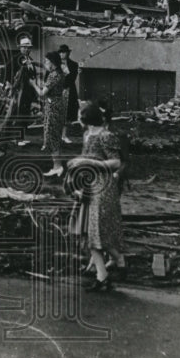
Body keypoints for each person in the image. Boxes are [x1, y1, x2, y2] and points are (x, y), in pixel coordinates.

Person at [68, 102, 125, 291]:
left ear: (85, 118)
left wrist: (86, 162)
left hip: (103, 187)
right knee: (94, 232)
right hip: (90, 186)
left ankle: (109, 271)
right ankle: (112, 268)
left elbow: (116, 162)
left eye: (79, 115)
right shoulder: (87, 135)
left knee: (97, 233)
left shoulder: (105, 136)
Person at [30, 51, 67, 176]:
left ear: (52, 63)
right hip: (57, 104)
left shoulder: (53, 75)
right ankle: (57, 165)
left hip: (53, 107)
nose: (45, 63)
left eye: (47, 61)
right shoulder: (59, 73)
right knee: (55, 135)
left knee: (52, 136)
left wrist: (33, 84)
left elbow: (42, 93)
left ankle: (57, 166)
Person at [8, 36, 38, 146]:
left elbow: (32, 74)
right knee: (18, 113)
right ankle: (16, 138)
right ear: (20, 48)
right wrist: (10, 84)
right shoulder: (15, 59)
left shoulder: (30, 60)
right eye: (24, 47)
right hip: (18, 91)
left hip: (28, 91)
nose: (26, 49)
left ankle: (21, 136)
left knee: (25, 113)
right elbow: (8, 71)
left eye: (28, 47)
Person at [58, 44, 80, 143]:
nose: (62, 54)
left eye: (64, 52)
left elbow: (72, 79)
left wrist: (67, 72)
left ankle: (64, 135)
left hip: (69, 91)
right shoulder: (54, 64)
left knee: (67, 114)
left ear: (68, 53)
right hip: (57, 91)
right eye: (61, 52)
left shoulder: (73, 65)